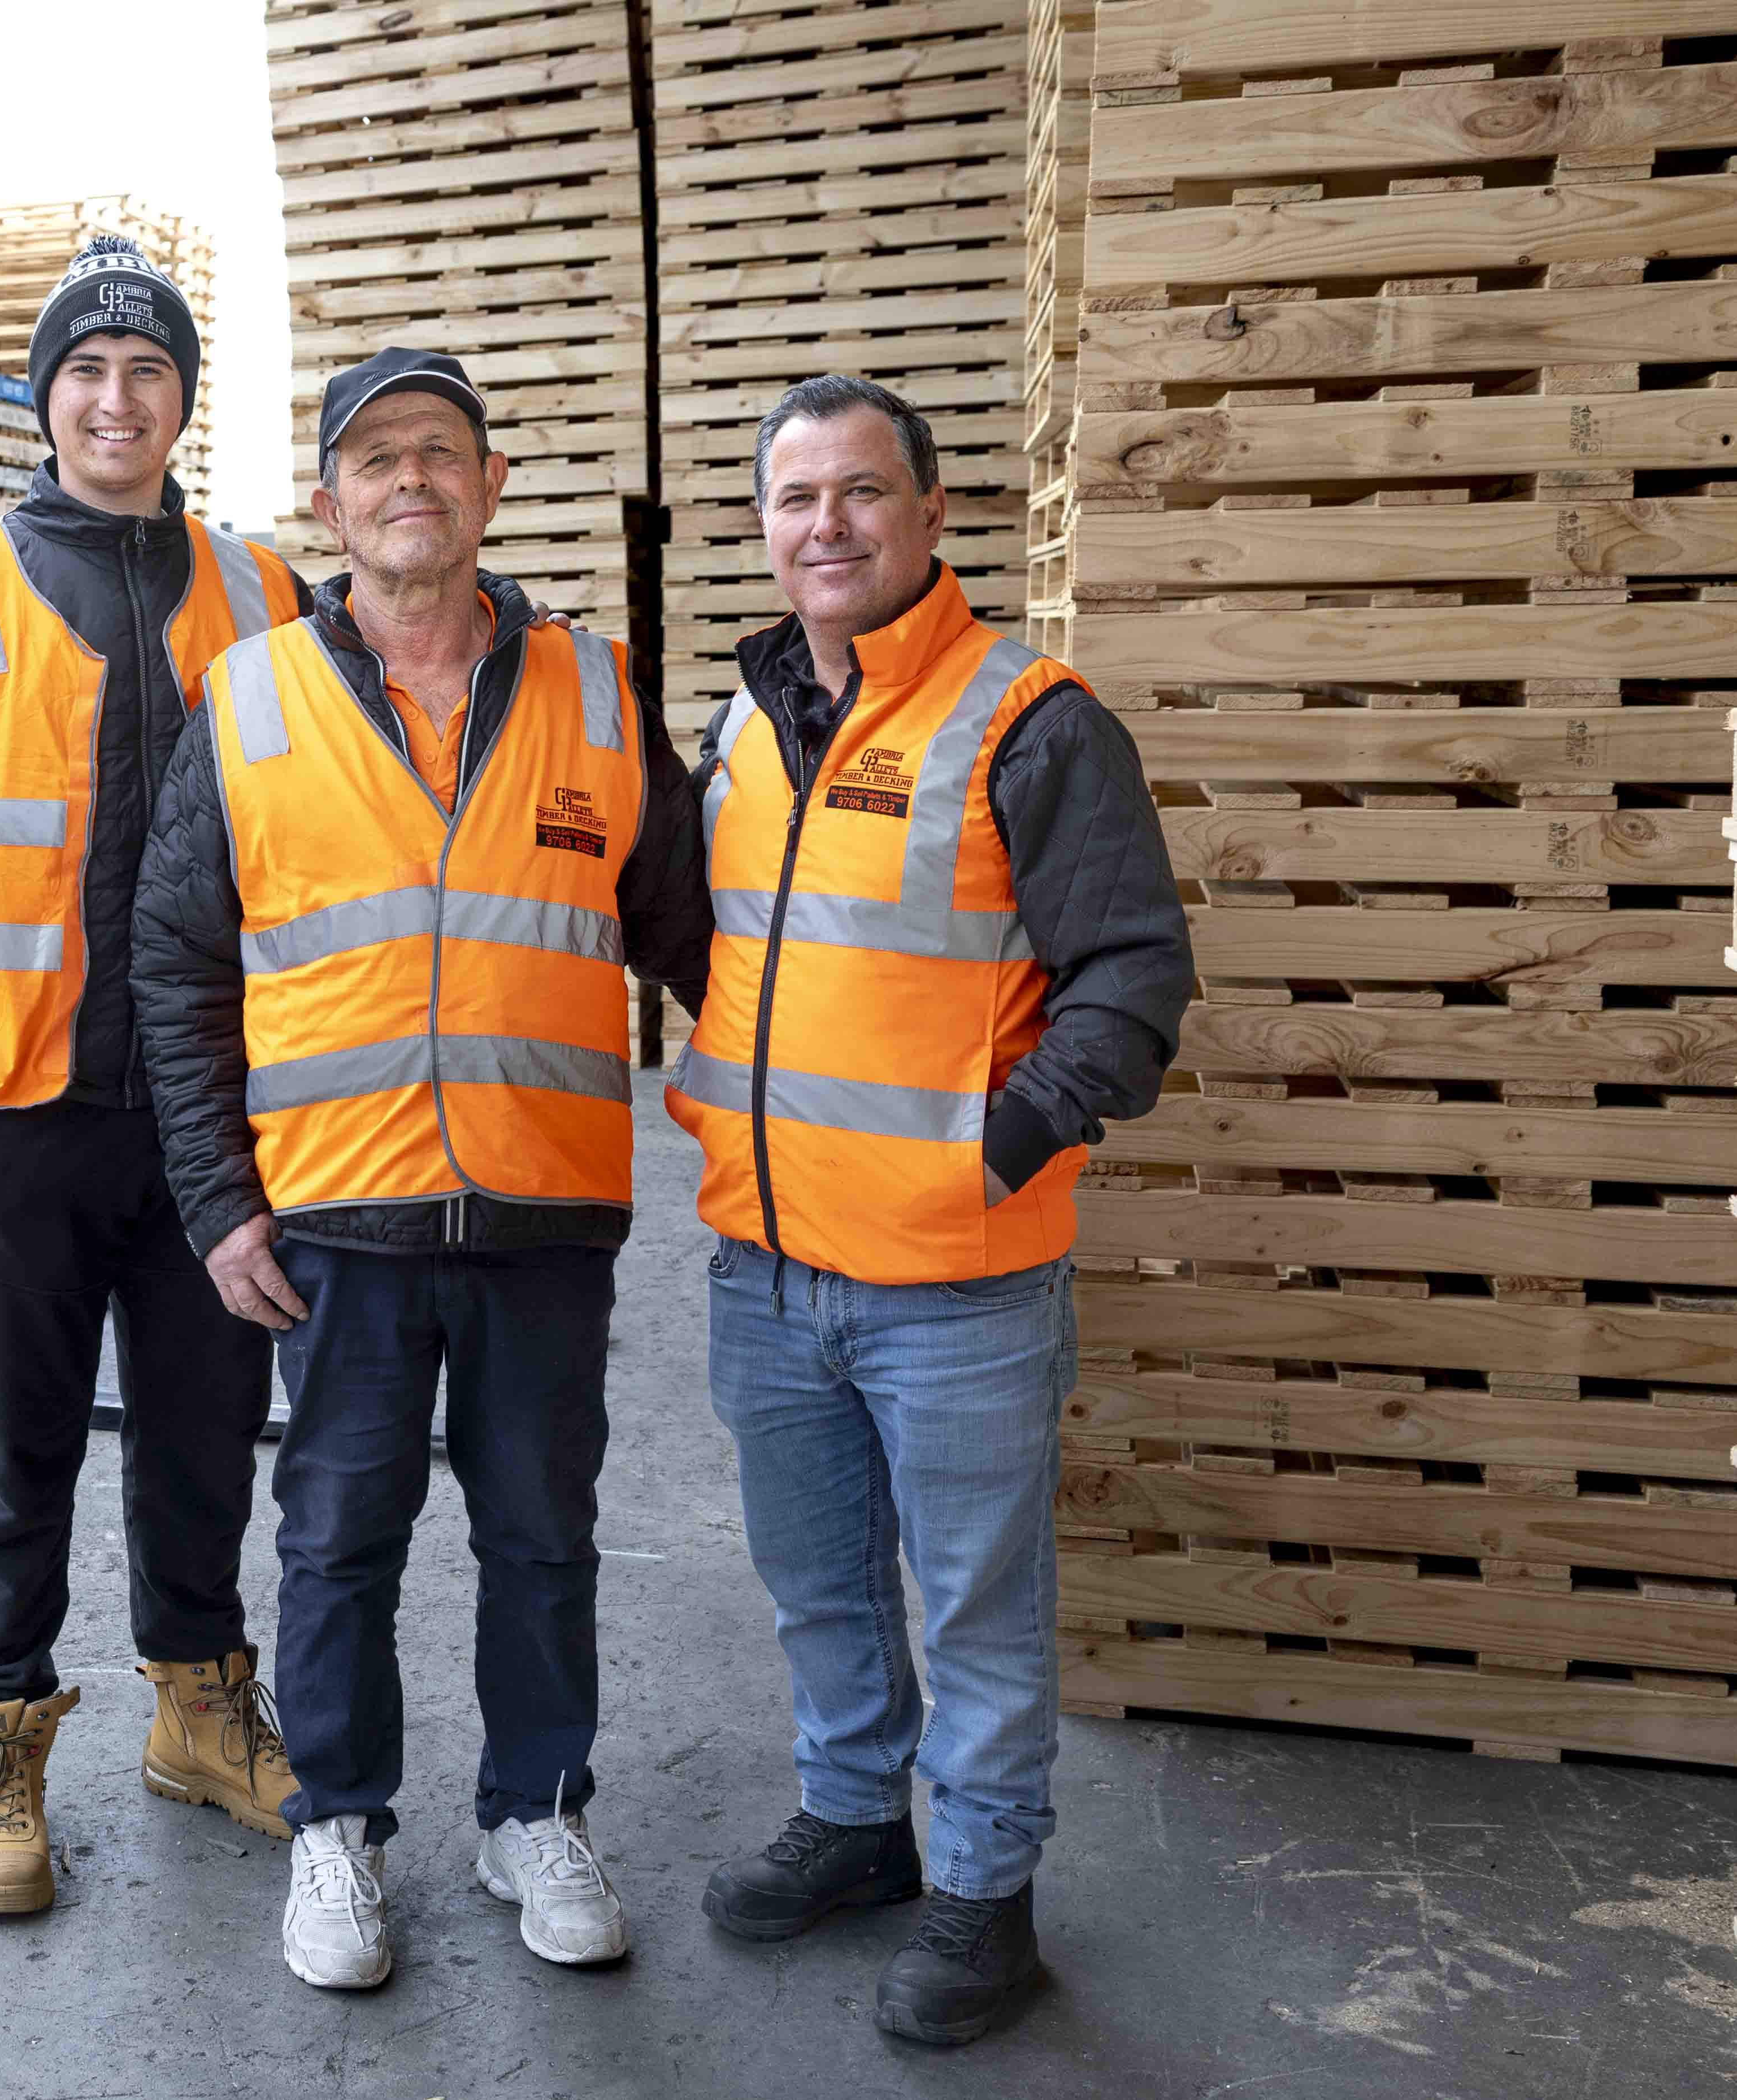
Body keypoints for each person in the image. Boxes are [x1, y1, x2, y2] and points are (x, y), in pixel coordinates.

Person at [134, 347, 711, 1990]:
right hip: (339, 1217)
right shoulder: (250, 701)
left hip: (545, 1211)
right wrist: (217, 1200)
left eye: (441, 451)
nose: (411, 478)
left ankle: (535, 1810)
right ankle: (338, 1823)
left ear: (491, 486)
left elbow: (695, 938)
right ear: (330, 505)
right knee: (338, 1540)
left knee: (543, 1535)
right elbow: (177, 965)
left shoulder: (596, 693)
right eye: (376, 456)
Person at [668, 374, 1189, 2046]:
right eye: (795, 498)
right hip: (768, 1264)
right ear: (765, 528)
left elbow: (1133, 976)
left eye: (861, 491)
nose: (826, 525)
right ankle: (858, 1823)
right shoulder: (746, 725)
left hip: (957, 1280)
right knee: (820, 1583)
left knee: (977, 1609)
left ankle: (983, 1892)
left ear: (932, 513)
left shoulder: (1028, 720)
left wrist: (1000, 1143)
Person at [0, 236, 309, 1917]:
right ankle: (0, 1753)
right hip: (15, 1121)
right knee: (12, 1457)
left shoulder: (266, 596)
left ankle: (197, 1710)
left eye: (148, 369)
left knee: (207, 1435)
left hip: (212, 1131)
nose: (116, 398)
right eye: (86, 371)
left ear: (182, 399)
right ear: (44, 400)